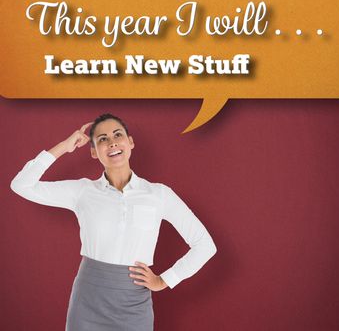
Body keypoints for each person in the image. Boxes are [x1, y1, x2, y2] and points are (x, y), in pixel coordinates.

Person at [10, 113, 217, 331]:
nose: (112, 142)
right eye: (102, 139)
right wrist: (64, 146)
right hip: (88, 299)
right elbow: (21, 185)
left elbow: (205, 245)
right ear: (93, 151)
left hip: (135, 304)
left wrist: (165, 280)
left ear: (130, 142)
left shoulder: (159, 194)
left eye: (118, 135)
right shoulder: (82, 191)